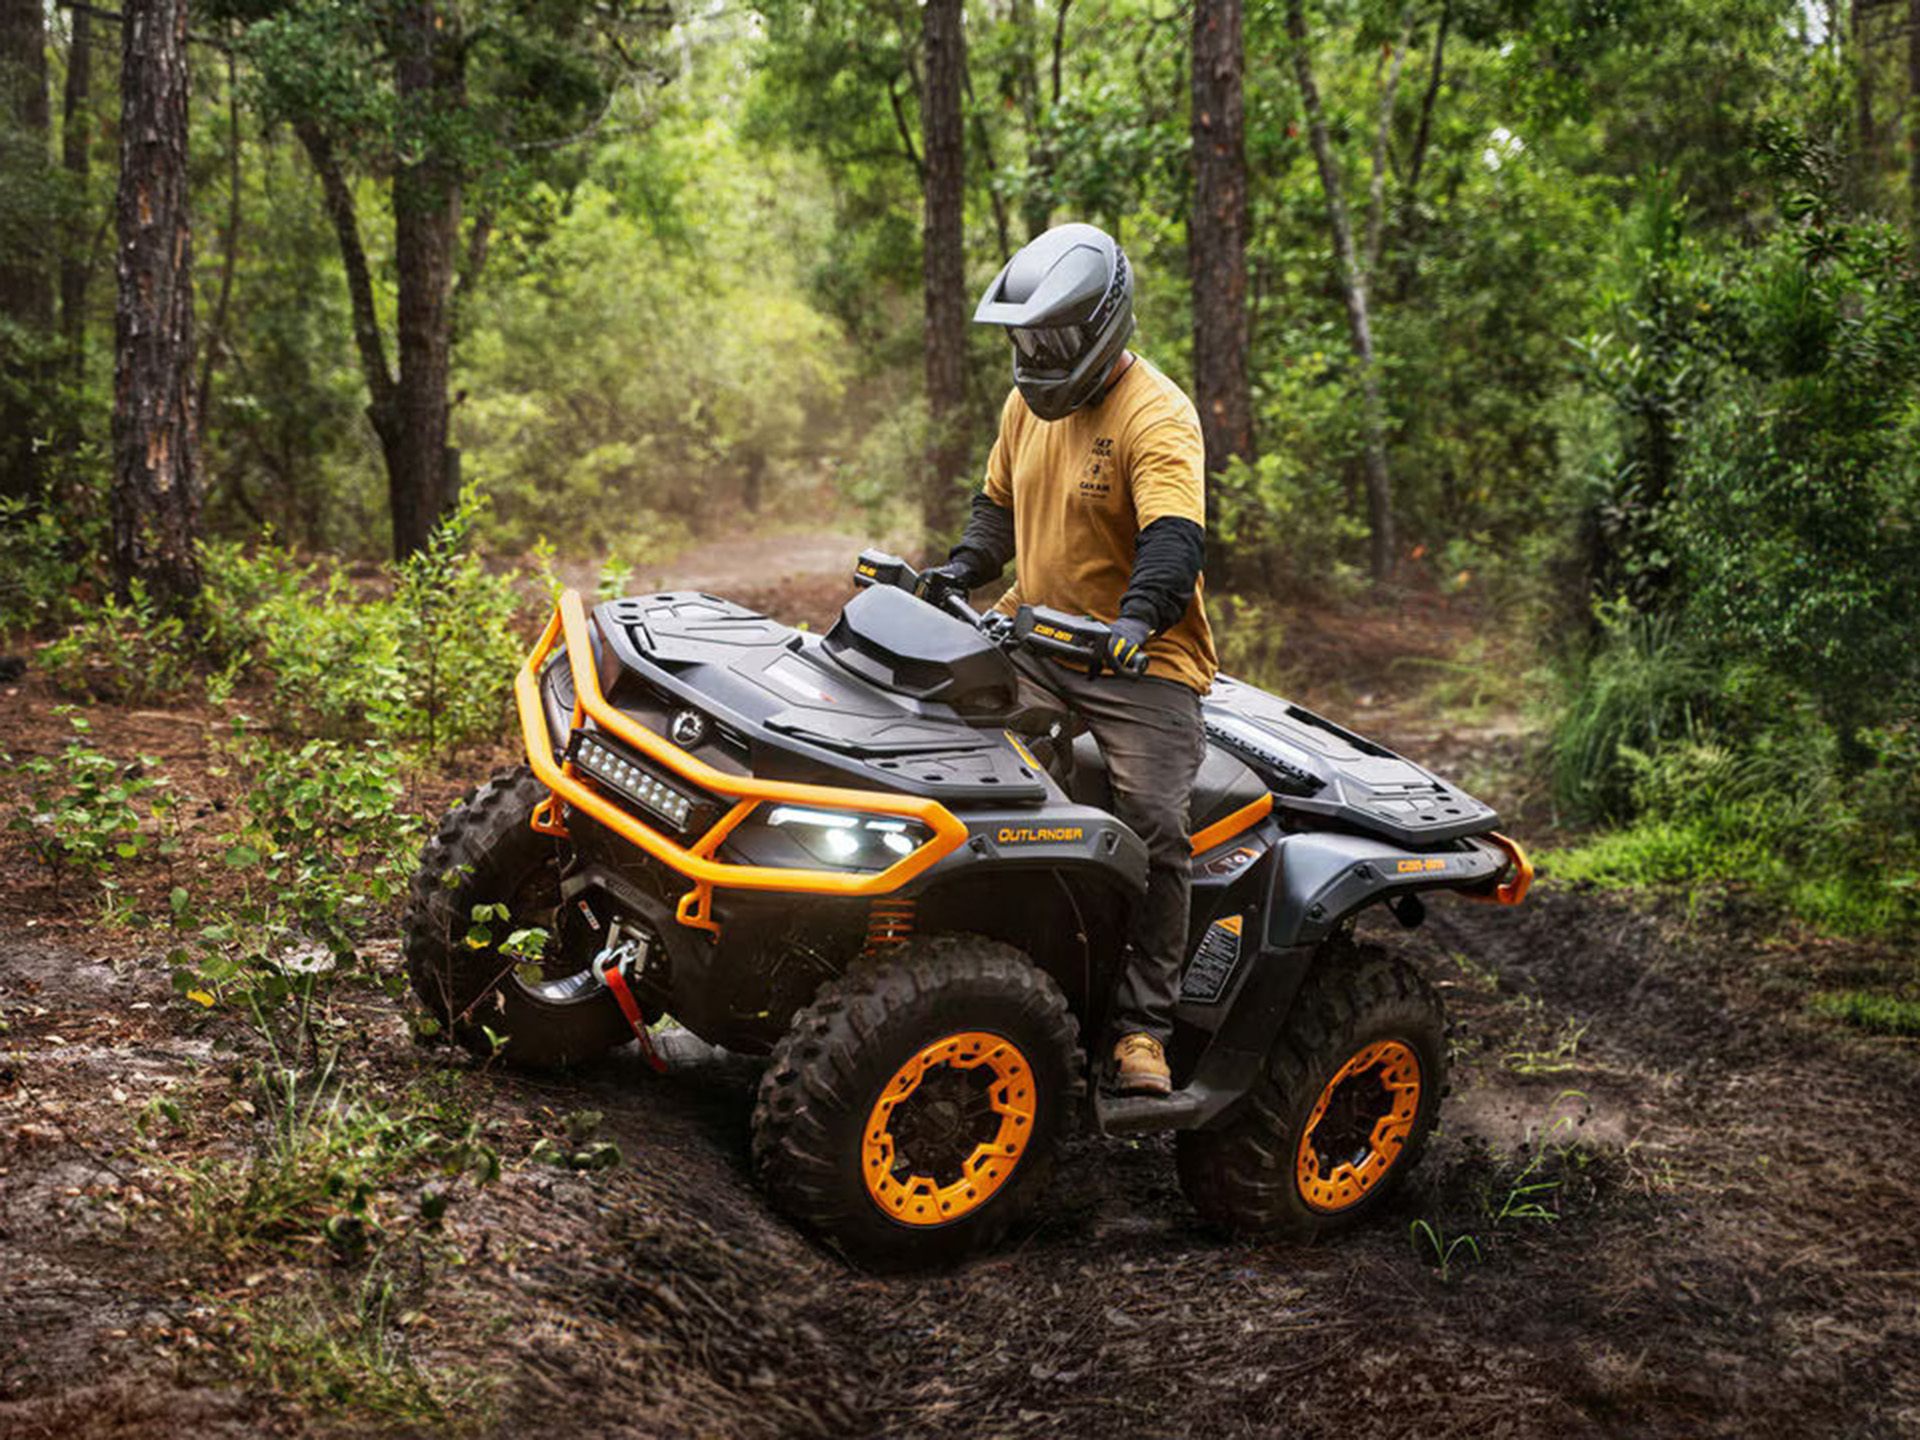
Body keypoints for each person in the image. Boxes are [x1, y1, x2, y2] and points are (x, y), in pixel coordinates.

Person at [921, 222, 1216, 1097]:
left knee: (1158, 830)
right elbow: (995, 511)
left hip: (1140, 661)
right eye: (1025, 339)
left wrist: (1134, 619)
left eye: (1051, 338)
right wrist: (962, 571)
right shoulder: (1025, 407)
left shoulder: (1157, 416)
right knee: (942, 750)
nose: (1035, 354)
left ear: (1102, 327)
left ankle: (1141, 1032)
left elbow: (1174, 538)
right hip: (1035, 634)